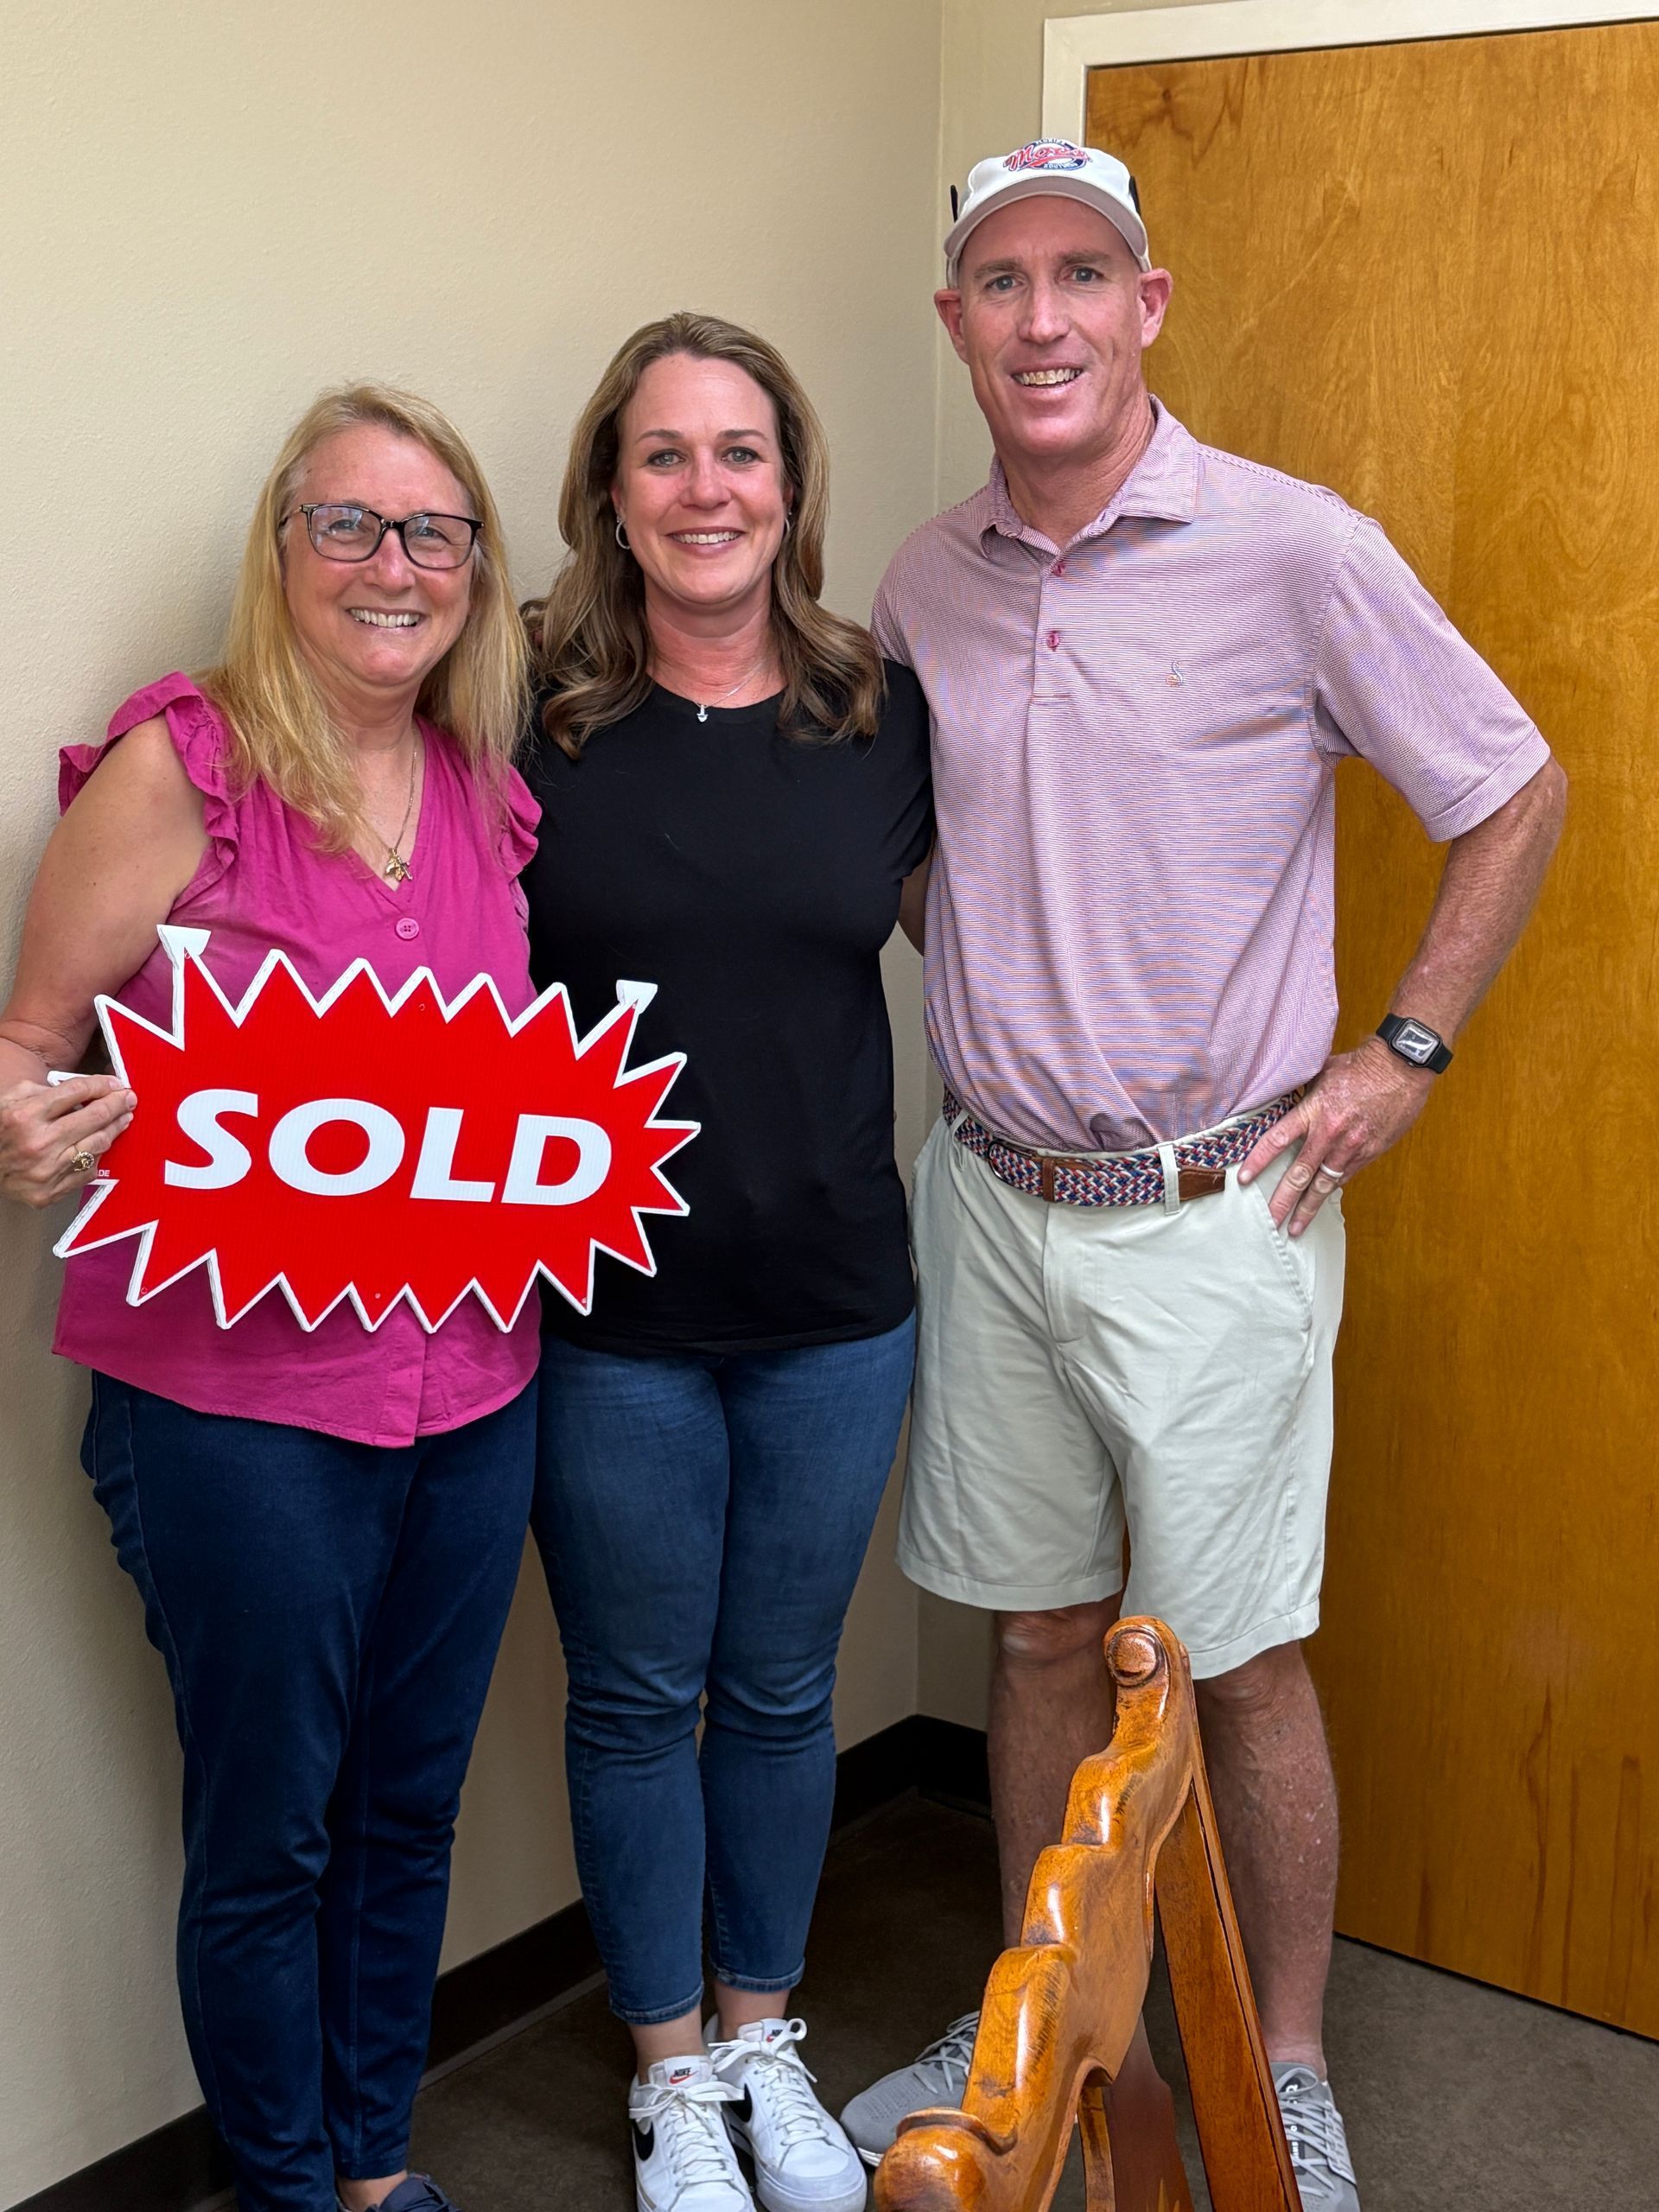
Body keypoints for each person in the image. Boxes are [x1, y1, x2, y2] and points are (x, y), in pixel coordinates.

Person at [839, 143, 1567, 2210]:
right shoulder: (922, 578)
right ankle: (1036, 2017)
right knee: (1044, 1637)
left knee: (1234, 1657)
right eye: (1001, 281)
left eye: (1084, 274)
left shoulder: (1291, 547)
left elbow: (1509, 784)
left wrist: (1404, 1049)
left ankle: (1290, 2064)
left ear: (1150, 302)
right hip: (992, 1198)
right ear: (958, 319)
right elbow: (914, 854)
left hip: (1215, 1211)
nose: (1044, 317)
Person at [0, 385, 542, 2212]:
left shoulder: (486, 784)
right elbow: (25, 1046)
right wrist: (27, 1127)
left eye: (434, 533)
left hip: (471, 1388)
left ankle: (375, 2167)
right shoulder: (187, 764)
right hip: (234, 1411)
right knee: (270, 1834)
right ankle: (285, 2188)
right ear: (282, 548)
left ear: (477, 569)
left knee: (409, 1807)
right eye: (352, 526)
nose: (395, 568)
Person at [520, 313, 931, 2212]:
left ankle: (765, 2032)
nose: (707, 490)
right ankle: (669, 2074)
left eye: (741, 452)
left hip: (836, 1295)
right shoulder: (526, 711)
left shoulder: (874, 706)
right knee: (631, 1693)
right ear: (613, 488)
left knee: (778, 1690)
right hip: (607, 1310)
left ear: (793, 484)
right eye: (666, 453)